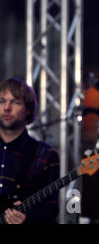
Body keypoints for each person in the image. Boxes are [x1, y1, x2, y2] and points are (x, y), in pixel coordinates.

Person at [0, 78, 59, 224]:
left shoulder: (46, 155)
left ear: (28, 110)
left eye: (16, 102)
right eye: (1, 101)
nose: (7, 107)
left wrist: (28, 217)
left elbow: (50, 208)